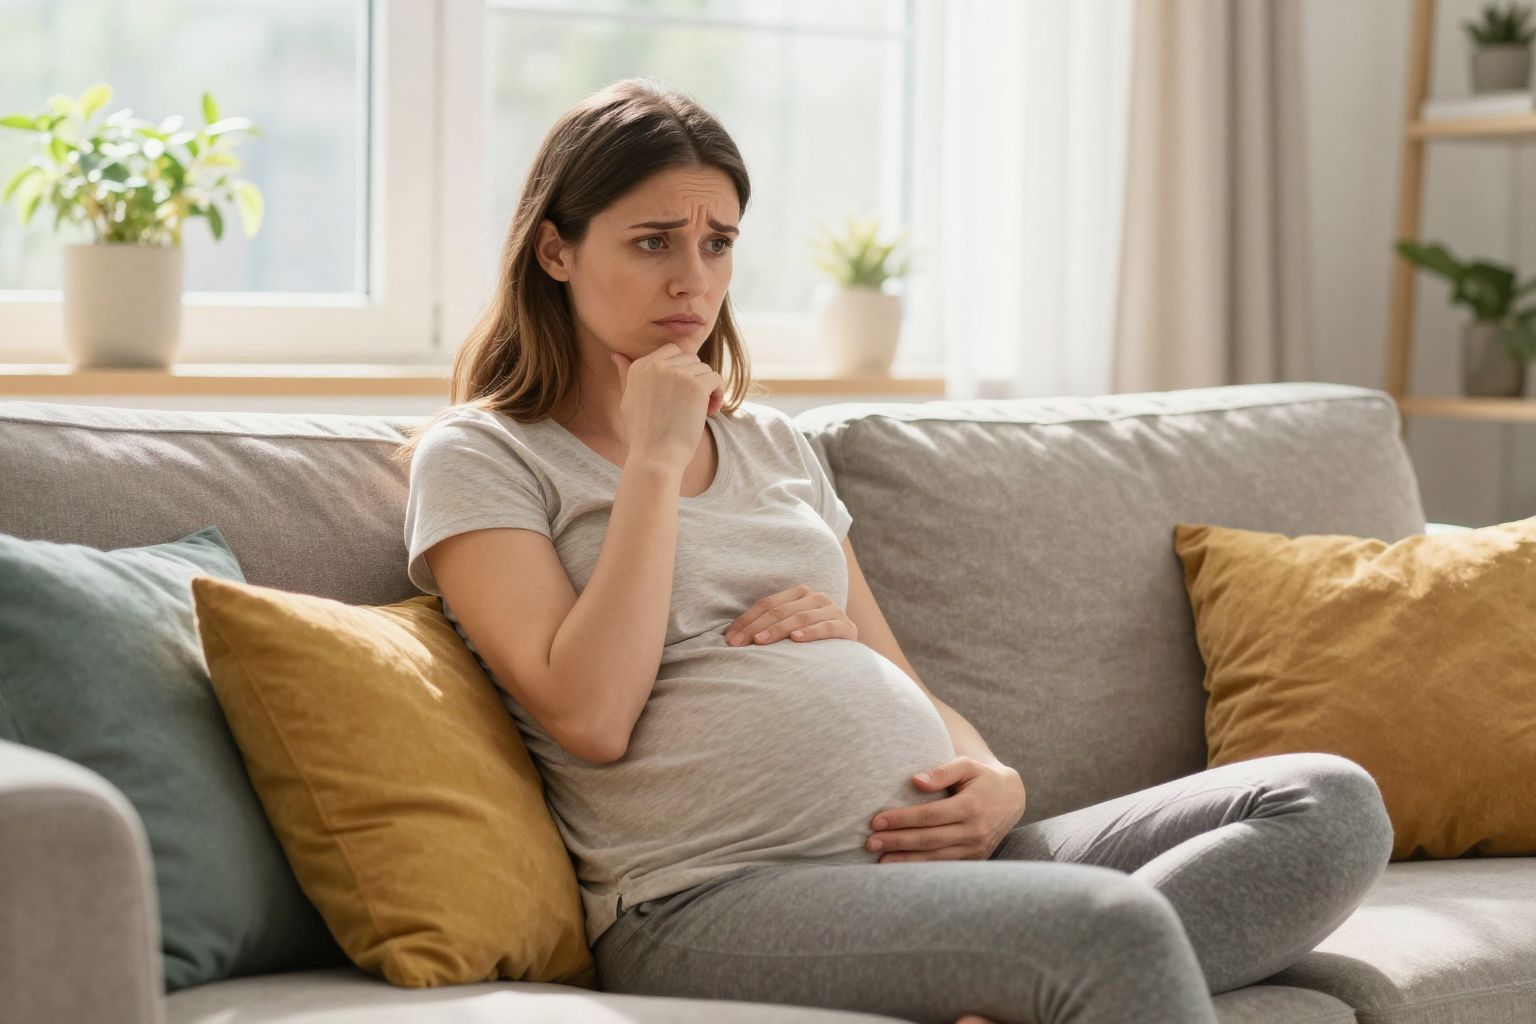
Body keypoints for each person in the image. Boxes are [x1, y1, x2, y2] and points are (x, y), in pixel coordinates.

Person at [393, 78, 1395, 1024]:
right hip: (709, 897)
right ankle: (1057, 976)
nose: (693, 280)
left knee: (1327, 802)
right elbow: (591, 715)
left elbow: (900, 676)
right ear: (555, 251)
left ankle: (1027, 989)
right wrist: (652, 462)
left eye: (718, 242)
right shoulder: (484, 455)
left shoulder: (771, 444)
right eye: (653, 241)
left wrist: (995, 774)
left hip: (954, 861)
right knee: (1108, 930)